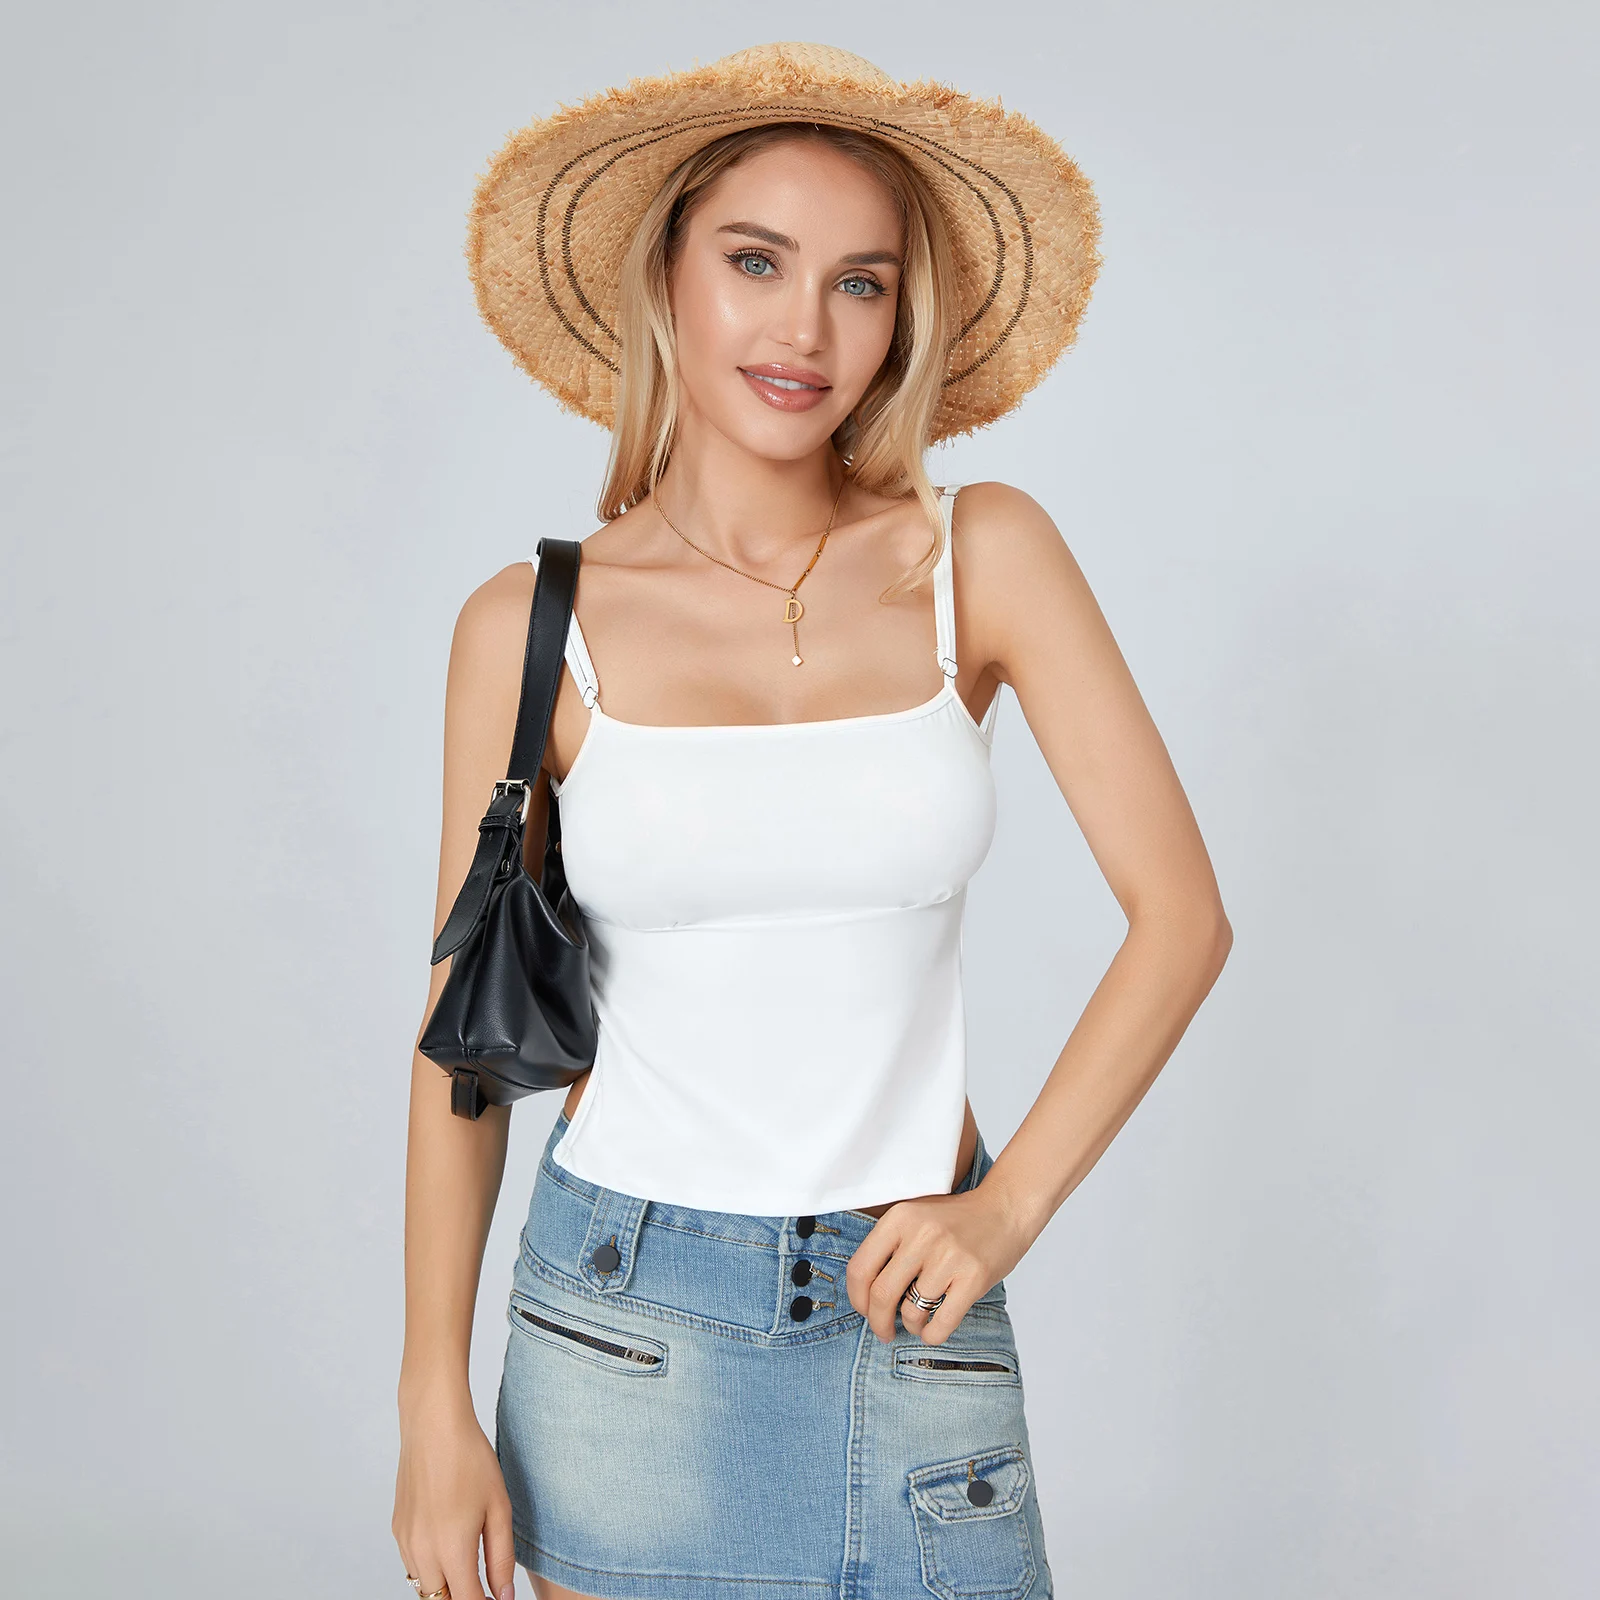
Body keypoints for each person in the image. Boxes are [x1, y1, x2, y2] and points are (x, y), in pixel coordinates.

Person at [393, 41, 1231, 1600]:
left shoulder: (981, 555)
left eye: (860, 283)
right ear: (667, 275)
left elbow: (1183, 919)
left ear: (903, 318)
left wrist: (1008, 1209)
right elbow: (465, 1054)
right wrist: (429, 1405)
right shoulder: (532, 628)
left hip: (908, 1304)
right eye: (756, 261)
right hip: (624, 1331)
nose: (804, 330)